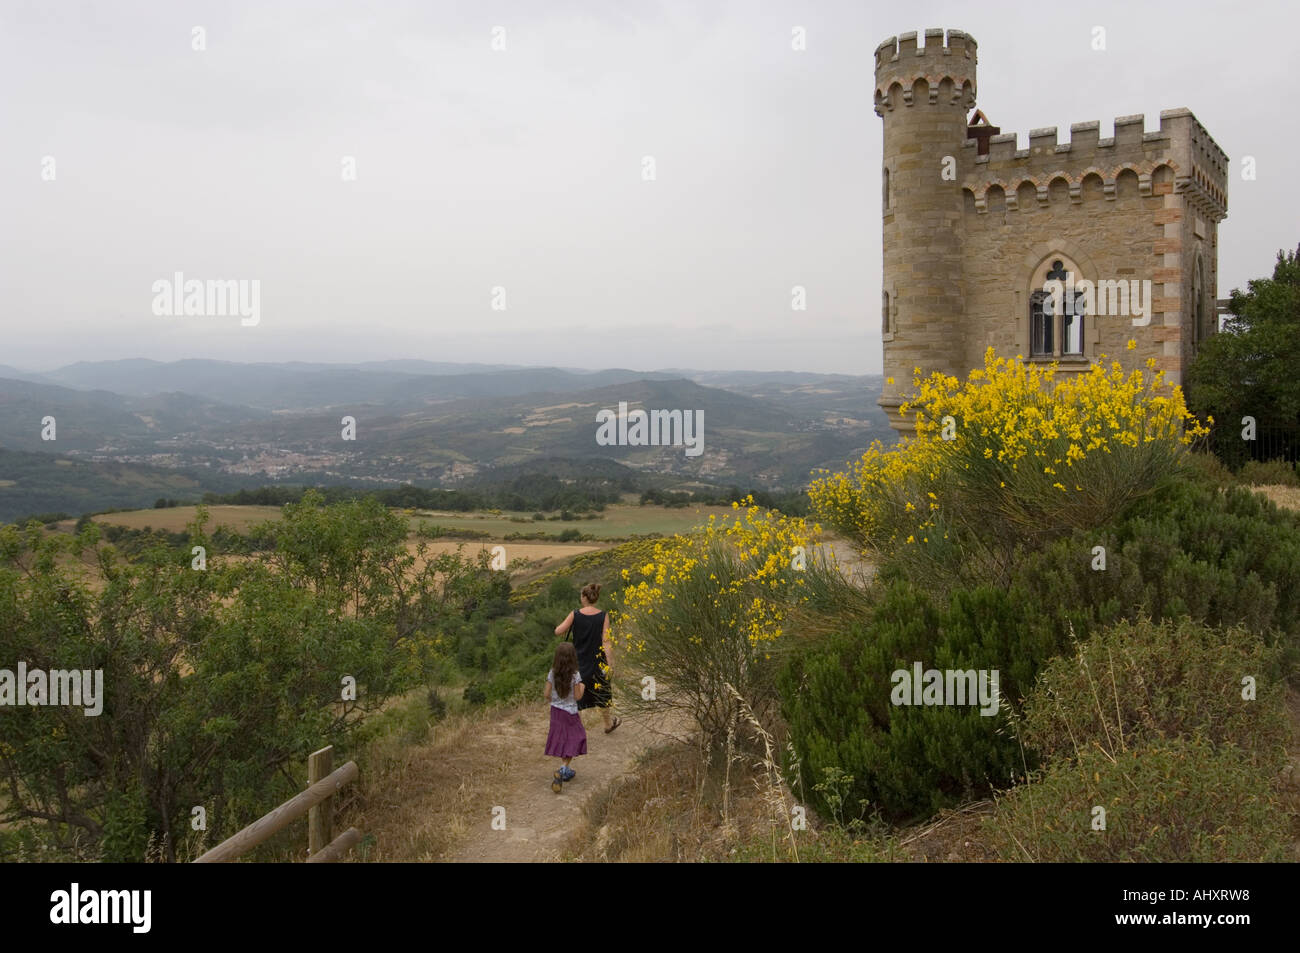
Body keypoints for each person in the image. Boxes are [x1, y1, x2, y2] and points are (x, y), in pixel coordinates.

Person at [555, 582, 620, 734]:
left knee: (576, 694)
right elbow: (606, 642)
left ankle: (573, 729)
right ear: (595, 598)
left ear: (584, 597)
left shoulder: (575, 614)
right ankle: (608, 724)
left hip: (579, 662)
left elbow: (558, 631)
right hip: (598, 662)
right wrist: (610, 664)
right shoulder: (603, 616)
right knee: (602, 693)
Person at [545, 642, 587, 793]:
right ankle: (563, 769)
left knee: (562, 739)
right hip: (570, 712)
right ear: (573, 658)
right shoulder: (575, 675)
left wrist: (554, 702)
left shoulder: (552, 673)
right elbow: (577, 696)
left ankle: (566, 770)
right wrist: (582, 687)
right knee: (577, 738)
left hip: (556, 711)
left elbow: (546, 694)